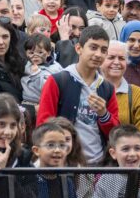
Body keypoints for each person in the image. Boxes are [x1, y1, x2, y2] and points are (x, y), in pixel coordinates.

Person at [36, 26, 119, 164]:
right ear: (79, 48)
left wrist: (103, 114)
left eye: (104, 50)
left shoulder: (107, 88)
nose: (98, 54)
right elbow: (43, 125)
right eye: (93, 47)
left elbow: (115, 132)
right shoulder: (57, 81)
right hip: (66, 163)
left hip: (99, 163)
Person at [101, 40, 140, 133]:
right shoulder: (90, 89)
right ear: (101, 60)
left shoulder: (137, 94)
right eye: (111, 57)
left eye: (121, 58)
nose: (116, 62)